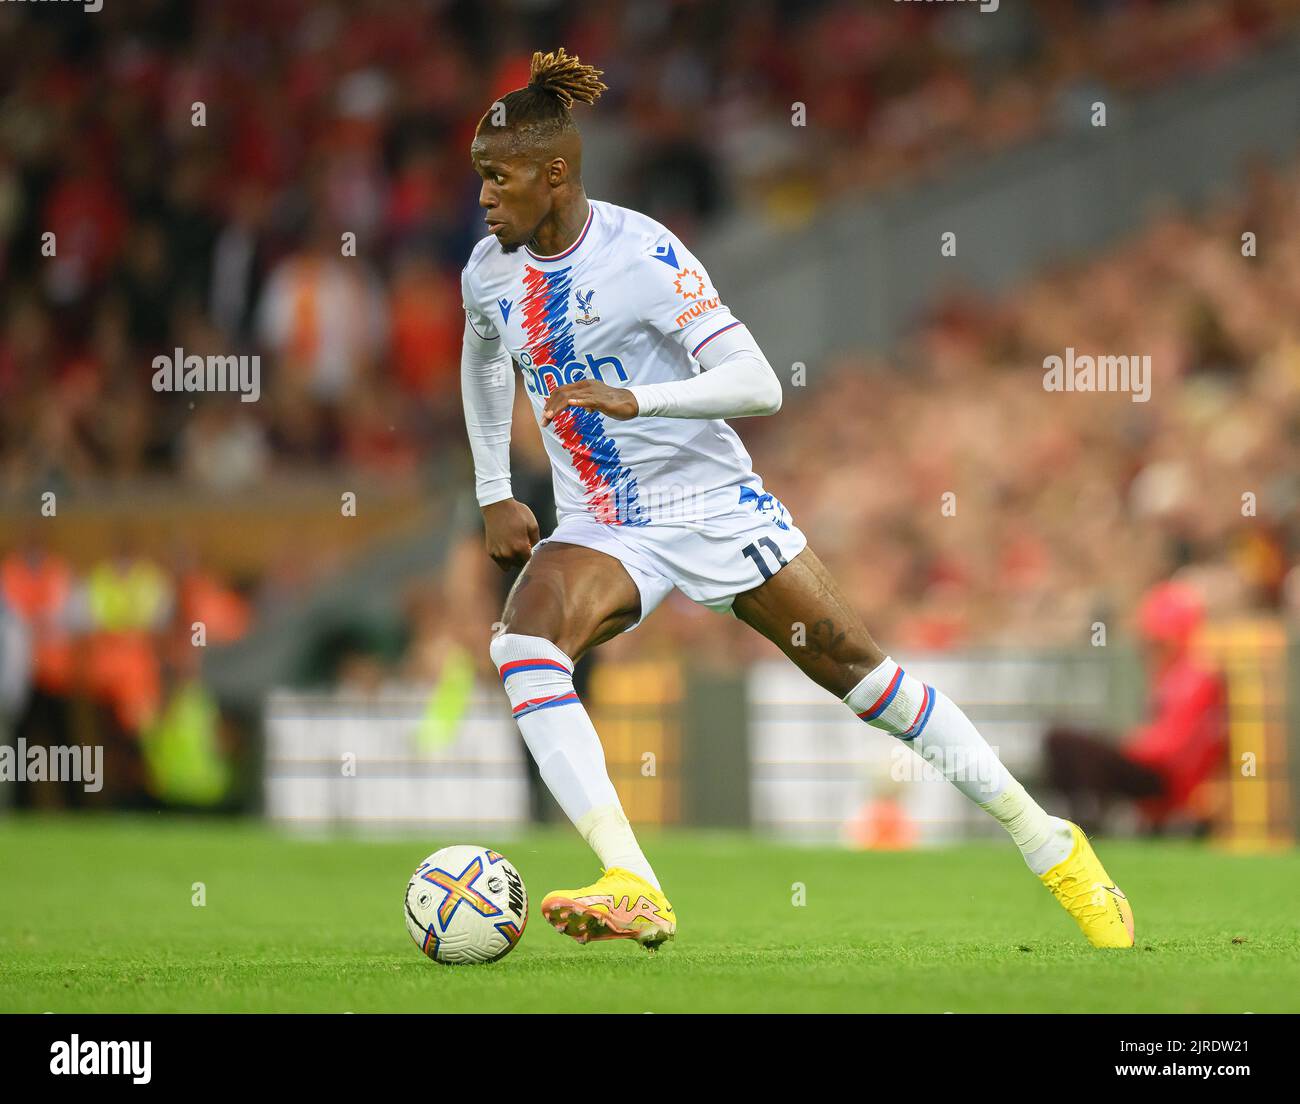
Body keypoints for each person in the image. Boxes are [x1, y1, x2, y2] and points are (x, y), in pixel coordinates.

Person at [458, 49, 1133, 951]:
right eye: (479, 180)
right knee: (524, 643)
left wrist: (641, 398)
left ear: (556, 174)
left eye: (498, 179)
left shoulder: (646, 255)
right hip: (602, 523)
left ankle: (1049, 842)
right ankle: (633, 879)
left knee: (861, 674)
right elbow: (483, 355)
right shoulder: (487, 272)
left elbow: (759, 382)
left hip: (711, 505)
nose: (484, 199)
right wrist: (495, 489)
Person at [1045, 582, 1227, 835]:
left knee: (1067, 741)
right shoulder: (1171, 674)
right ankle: (1082, 817)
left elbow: (1177, 746)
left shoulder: (1196, 677)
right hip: (1155, 766)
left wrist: (1133, 744)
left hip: (1165, 777)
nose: (1152, 648)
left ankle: (1088, 821)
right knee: (1064, 741)